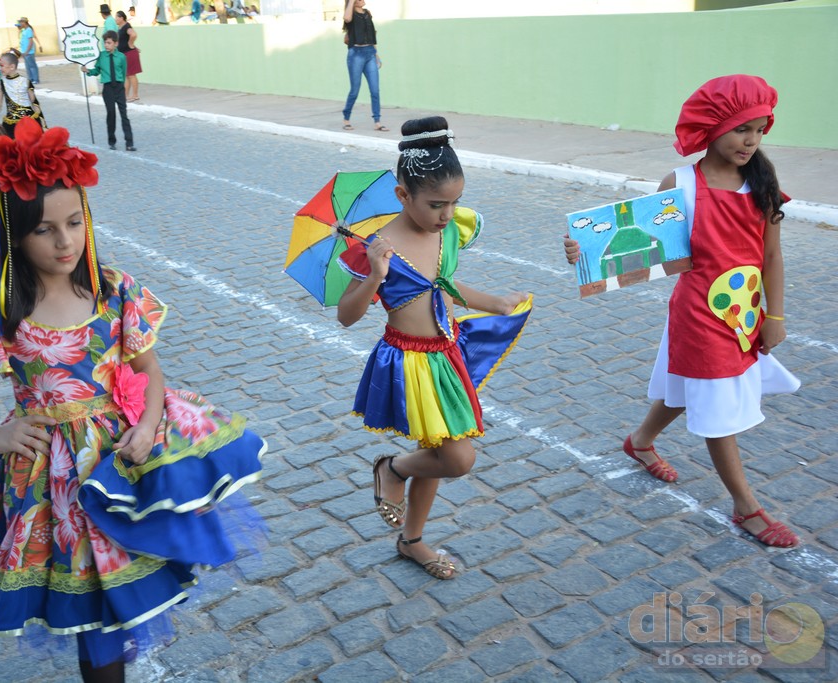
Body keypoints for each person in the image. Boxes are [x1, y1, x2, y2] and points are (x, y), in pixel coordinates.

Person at [0, 117, 265, 681]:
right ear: (14, 233)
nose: (65, 242)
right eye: (44, 230)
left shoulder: (113, 289)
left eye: (74, 222)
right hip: (49, 480)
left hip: (118, 464)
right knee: (86, 599)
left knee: (122, 587)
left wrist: (148, 425)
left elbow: (149, 371)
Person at [563, 75, 801, 548]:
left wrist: (775, 316)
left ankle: (640, 442)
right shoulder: (681, 183)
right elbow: (645, 249)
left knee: (690, 386)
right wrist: (582, 253)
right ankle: (746, 508)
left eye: (759, 130)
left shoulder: (762, 182)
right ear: (711, 127)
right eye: (741, 129)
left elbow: (772, 255)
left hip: (746, 311)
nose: (751, 141)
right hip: (699, 315)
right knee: (717, 405)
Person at [337, 116, 532, 579]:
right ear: (403, 195)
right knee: (457, 458)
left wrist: (494, 302)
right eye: (436, 204)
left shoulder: (446, 232)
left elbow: (444, 286)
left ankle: (412, 540)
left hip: (446, 355)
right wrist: (376, 276)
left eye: (455, 202)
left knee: (441, 452)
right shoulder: (377, 246)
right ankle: (394, 468)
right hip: (407, 360)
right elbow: (347, 315)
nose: (447, 214)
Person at [83, 31, 135, 151]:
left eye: (109, 43)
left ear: (116, 43)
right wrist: (88, 71)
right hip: (108, 89)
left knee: (124, 114)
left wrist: (122, 87)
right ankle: (112, 141)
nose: (106, 45)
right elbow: (97, 70)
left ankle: (129, 143)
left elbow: (123, 72)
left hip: (119, 87)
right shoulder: (101, 56)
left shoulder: (121, 57)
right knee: (111, 114)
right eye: (105, 43)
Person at [341, 0, 387, 132]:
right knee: (355, 90)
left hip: (370, 53)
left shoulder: (367, 13)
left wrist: (376, 55)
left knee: (375, 90)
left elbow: (372, 35)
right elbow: (346, 18)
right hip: (356, 54)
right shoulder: (350, 15)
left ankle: (377, 122)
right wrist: (350, 2)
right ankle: (346, 118)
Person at [0, 51, 46, 137]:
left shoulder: (25, 81)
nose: (0, 69)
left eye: (2, 66)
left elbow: (34, 103)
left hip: (29, 122)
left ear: (12, 67)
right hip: (11, 124)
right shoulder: (1, 83)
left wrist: (44, 125)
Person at [114, 11, 142, 102]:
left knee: (131, 75)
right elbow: (123, 40)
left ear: (121, 18)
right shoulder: (120, 28)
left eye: (117, 17)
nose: (115, 19)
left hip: (129, 53)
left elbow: (133, 34)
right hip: (124, 54)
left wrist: (131, 44)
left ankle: (135, 95)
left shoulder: (126, 26)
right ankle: (126, 95)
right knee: (126, 75)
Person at [17, 17, 40, 84]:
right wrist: (19, 29)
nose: (20, 23)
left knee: (32, 66)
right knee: (28, 67)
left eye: (21, 22)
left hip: (29, 52)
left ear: (24, 22)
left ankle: (35, 79)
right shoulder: (23, 30)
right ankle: (31, 79)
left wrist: (27, 51)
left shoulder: (29, 30)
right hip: (24, 51)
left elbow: (30, 42)